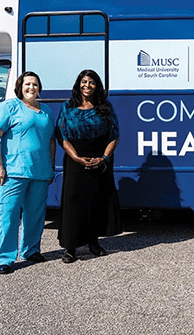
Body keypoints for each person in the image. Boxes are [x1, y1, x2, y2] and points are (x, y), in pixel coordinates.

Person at [0, 71, 55, 275]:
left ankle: (31, 250)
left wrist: (51, 165)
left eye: (35, 84)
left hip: (40, 172)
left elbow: (51, 139)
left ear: (39, 88)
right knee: (7, 216)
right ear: (20, 86)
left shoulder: (46, 111)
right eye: (27, 84)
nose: (31, 88)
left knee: (35, 216)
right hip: (13, 172)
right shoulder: (9, 107)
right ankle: (5, 258)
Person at [56, 69, 122, 263]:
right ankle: (70, 247)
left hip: (100, 159)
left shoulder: (105, 107)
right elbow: (62, 136)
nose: (87, 85)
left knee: (96, 201)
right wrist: (76, 158)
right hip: (75, 159)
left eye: (91, 82)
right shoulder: (67, 107)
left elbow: (114, 136)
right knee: (73, 202)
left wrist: (103, 158)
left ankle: (93, 243)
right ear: (78, 84)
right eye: (84, 82)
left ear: (97, 86)